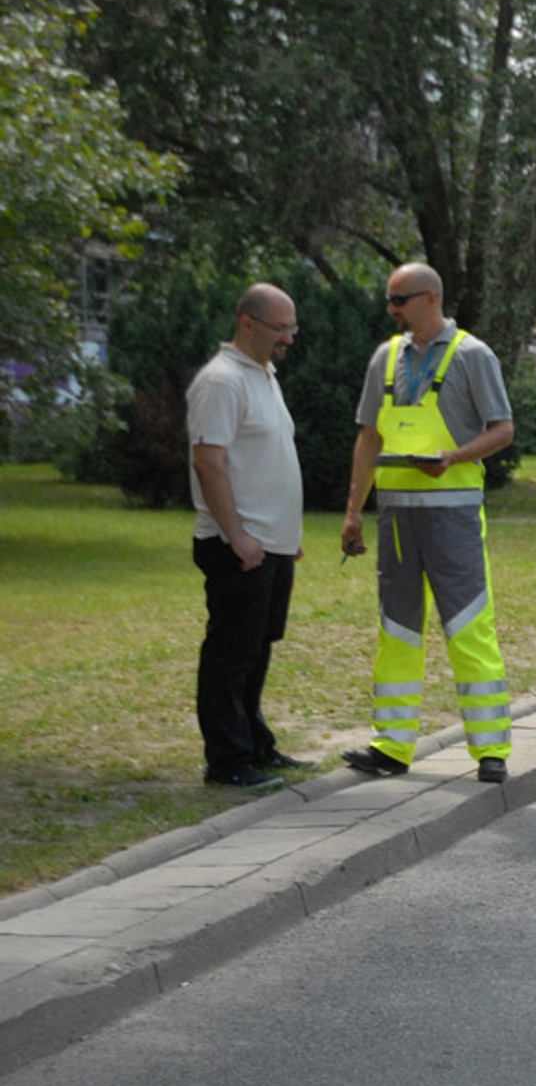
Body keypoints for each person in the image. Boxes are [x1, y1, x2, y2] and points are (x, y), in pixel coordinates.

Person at [340, 264, 516, 783]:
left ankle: (490, 750)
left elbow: (503, 428)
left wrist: (455, 456)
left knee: (468, 626)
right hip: (397, 518)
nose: (392, 309)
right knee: (396, 629)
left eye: (400, 299)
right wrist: (354, 511)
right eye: (389, 300)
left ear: (431, 297)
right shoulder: (386, 358)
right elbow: (369, 438)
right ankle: (391, 746)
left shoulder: (472, 355)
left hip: (454, 516)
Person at [187, 283, 311, 790]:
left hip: (271, 543)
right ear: (247, 323)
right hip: (238, 545)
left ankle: (256, 743)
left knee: (258, 648)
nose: (289, 339)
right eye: (281, 329)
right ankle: (228, 761)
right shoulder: (221, 382)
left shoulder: (264, 375)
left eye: (292, 328)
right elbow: (208, 463)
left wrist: (287, 534)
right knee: (230, 653)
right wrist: (236, 535)